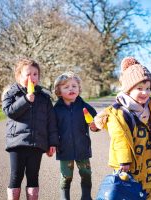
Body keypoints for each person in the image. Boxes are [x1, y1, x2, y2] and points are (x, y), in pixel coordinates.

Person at [94, 57, 151, 200]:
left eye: (148, 88)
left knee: (145, 192)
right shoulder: (117, 112)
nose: (145, 93)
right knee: (127, 193)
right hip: (128, 163)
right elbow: (119, 139)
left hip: (148, 161)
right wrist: (124, 161)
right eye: (140, 88)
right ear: (128, 89)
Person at [2, 58, 59, 200]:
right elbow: (9, 111)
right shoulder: (12, 93)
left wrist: (52, 143)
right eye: (27, 74)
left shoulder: (44, 98)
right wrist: (26, 100)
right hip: (17, 143)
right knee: (16, 175)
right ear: (18, 76)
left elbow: (51, 122)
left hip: (37, 144)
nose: (31, 77)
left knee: (33, 176)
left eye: (35, 74)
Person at [53, 71, 99, 200]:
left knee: (86, 174)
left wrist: (95, 127)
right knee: (66, 176)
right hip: (64, 148)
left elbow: (96, 122)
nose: (71, 89)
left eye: (74, 86)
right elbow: (52, 129)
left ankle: (86, 197)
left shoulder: (85, 107)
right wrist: (52, 143)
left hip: (82, 147)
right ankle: (64, 197)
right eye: (66, 87)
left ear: (79, 88)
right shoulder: (56, 110)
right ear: (59, 91)